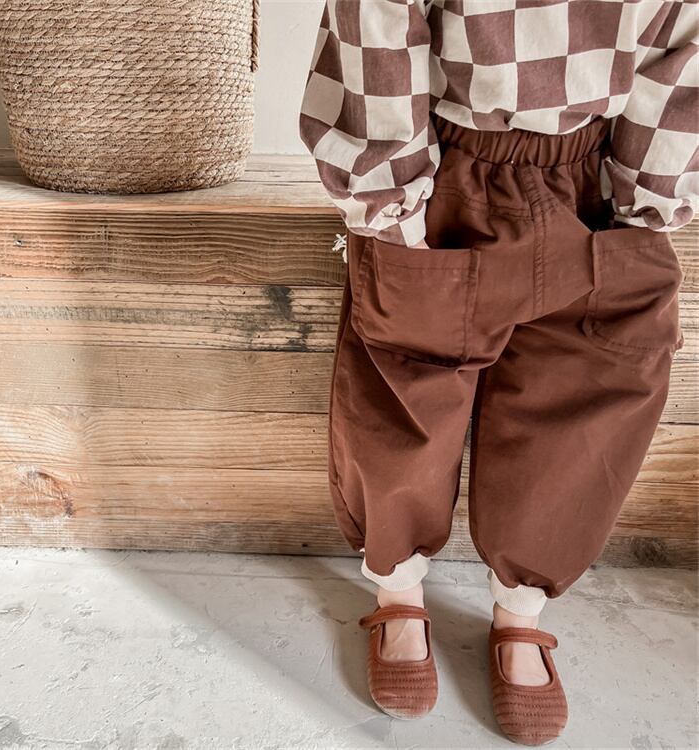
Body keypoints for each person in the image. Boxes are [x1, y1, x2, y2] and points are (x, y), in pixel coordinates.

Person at [298, 0, 697, 744]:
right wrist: (392, 199)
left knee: (589, 403)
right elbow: (375, 19)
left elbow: (685, 38)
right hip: (447, 169)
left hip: (593, 175)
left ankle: (521, 611)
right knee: (405, 399)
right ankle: (398, 594)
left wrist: (646, 199)